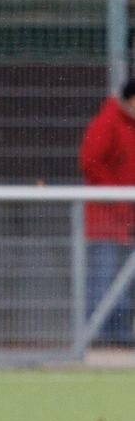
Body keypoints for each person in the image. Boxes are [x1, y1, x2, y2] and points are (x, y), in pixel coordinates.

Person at [79, 77, 135, 347]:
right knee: (103, 280)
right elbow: (90, 162)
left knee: (122, 281)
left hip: (125, 219)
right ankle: (97, 336)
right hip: (106, 218)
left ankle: (118, 335)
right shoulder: (108, 122)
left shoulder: (127, 124)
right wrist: (117, 196)